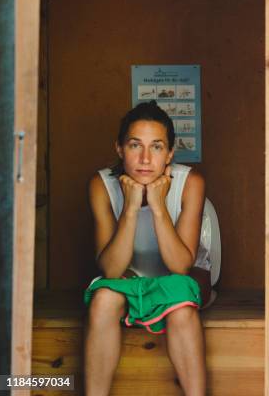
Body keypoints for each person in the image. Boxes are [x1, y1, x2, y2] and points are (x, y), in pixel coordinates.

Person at [85, 101, 209, 396]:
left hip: (180, 280)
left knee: (180, 306)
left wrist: (157, 206)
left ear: (169, 153)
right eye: (134, 145)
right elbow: (111, 271)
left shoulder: (191, 182)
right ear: (119, 149)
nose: (144, 158)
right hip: (127, 280)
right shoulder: (101, 184)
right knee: (102, 299)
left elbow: (181, 266)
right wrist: (129, 208)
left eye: (156, 147)